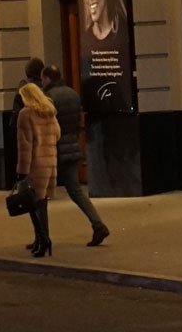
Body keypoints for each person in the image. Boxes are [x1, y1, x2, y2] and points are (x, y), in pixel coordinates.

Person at [42, 64, 108, 247]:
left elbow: (47, 125)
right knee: (76, 191)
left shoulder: (48, 97)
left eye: (43, 79)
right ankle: (98, 224)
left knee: (39, 193)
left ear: (47, 78)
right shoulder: (73, 94)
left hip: (54, 149)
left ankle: (42, 237)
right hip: (71, 147)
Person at [13, 79, 60, 258]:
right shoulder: (49, 112)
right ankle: (42, 239)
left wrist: (21, 170)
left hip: (34, 166)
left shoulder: (25, 114)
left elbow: (25, 146)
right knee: (41, 203)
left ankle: (43, 240)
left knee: (31, 204)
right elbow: (57, 135)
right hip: (49, 163)